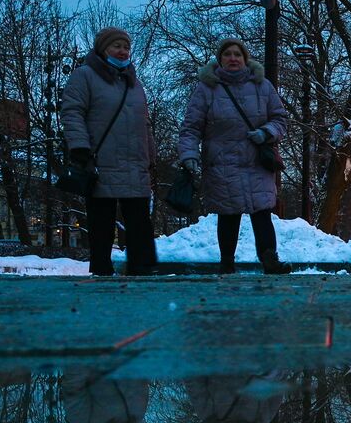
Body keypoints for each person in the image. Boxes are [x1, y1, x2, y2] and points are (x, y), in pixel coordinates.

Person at [178, 38, 292, 274]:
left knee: (262, 212)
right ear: (220, 59)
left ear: (245, 58)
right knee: (228, 213)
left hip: (257, 161)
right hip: (222, 162)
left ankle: (270, 259)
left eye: (237, 54)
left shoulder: (263, 86)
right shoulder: (206, 89)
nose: (233, 58)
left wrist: (266, 132)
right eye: (227, 54)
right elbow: (191, 127)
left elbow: (280, 119)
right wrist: (189, 154)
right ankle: (227, 262)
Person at [60, 26, 158, 276]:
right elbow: (72, 111)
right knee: (101, 222)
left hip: (135, 162)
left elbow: (145, 122)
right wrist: (79, 146)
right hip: (100, 160)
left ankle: (143, 272)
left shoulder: (134, 83)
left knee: (139, 221)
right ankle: (101, 271)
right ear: (103, 49)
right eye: (117, 46)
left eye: (126, 47)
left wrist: (151, 153)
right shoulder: (85, 76)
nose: (123, 51)